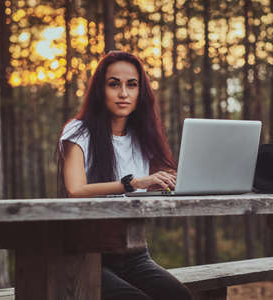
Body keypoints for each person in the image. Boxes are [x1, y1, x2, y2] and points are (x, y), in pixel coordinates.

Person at [58, 51, 192, 300]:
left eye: (132, 85)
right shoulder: (78, 131)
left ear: (141, 92)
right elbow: (75, 189)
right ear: (100, 89)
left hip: (134, 254)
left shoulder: (143, 136)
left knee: (179, 296)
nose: (123, 93)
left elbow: (163, 178)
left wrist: (176, 179)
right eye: (114, 84)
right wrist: (132, 183)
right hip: (87, 255)